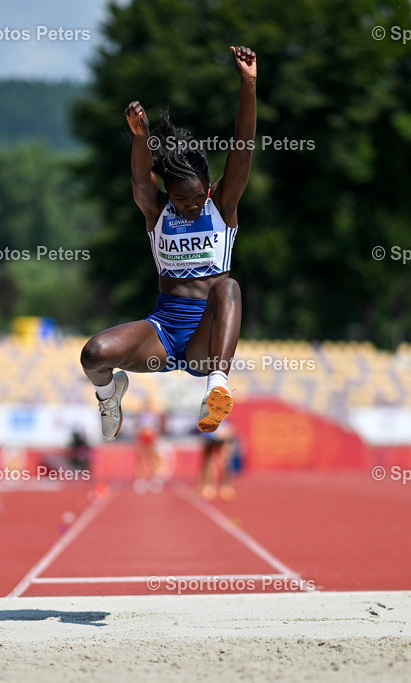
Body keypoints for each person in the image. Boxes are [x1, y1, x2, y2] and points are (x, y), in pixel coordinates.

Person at [81, 45, 257, 440]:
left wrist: (248, 84)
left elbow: (243, 145)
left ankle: (216, 388)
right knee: (93, 353)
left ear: (209, 188)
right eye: (181, 199)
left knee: (228, 287)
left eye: (197, 198)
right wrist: (140, 137)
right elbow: (141, 179)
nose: (191, 206)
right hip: (162, 331)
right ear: (168, 194)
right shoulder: (156, 210)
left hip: (206, 341)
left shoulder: (222, 205)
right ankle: (109, 397)